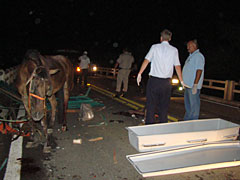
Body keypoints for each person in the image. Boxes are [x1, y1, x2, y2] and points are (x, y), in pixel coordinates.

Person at [137, 29, 184, 125]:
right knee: (164, 107)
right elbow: (177, 66)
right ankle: (163, 128)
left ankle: (149, 127)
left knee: (151, 106)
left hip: (154, 81)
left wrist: (139, 73)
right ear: (170, 38)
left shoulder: (154, 47)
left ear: (161, 38)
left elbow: (146, 60)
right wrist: (181, 80)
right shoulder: (174, 50)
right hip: (166, 83)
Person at [182, 39, 205, 120]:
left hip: (193, 86)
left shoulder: (198, 56)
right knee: (188, 107)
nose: (187, 48)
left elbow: (199, 70)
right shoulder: (191, 56)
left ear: (194, 46)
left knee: (194, 107)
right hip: (188, 85)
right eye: (187, 46)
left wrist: (195, 84)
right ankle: (187, 122)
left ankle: (193, 123)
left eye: (189, 46)